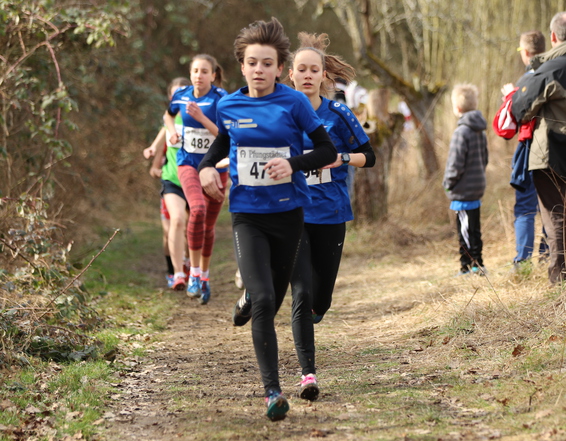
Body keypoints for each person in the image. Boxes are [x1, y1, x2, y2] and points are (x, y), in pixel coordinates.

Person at [198, 17, 336, 421]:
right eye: (252, 62)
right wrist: (206, 168)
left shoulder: (294, 103)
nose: (259, 69)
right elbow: (221, 144)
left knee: (272, 299)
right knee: (263, 300)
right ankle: (272, 392)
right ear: (242, 66)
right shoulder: (228, 105)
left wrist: (292, 164)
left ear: (279, 69)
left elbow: (326, 151)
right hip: (248, 216)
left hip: (289, 215)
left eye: (267, 63)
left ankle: (248, 300)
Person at [507, 12, 566, 284]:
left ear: (553, 37)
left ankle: (560, 279)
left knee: (556, 216)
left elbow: (520, 109)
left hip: (553, 152)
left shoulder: (550, 70)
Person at [164, 54, 228, 304]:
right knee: (197, 209)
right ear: (190, 74)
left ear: (213, 75)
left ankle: (204, 275)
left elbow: (225, 135)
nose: (199, 75)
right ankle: (193, 274)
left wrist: (201, 118)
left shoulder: (221, 99)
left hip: (216, 167)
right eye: (195, 71)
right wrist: (172, 132)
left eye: (204, 71)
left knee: (209, 226)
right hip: (188, 164)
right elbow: (168, 115)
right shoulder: (181, 95)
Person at [493, 31, 549, 269]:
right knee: (552, 205)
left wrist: (510, 96)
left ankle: (523, 262)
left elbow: (508, 126)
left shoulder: (526, 81)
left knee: (526, 207)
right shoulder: (556, 72)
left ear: (525, 52)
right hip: (556, 148)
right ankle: (548, 257)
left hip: (529, 150)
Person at [146, 77, 191, 289]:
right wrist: (155, 160)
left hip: (194, 182)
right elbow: (155, 162)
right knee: (175, 224)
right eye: (175, 94)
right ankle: (175, 271)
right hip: (172, 182)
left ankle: (190, 266)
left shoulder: (199, 119)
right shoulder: (168, 123)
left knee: (190, 229)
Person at [443, 84, 488, 276]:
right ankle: (477, 264)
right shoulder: (480, 130)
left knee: (465, 231)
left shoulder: (461, 132)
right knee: (474, 229)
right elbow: (485, 158)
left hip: (463, 191)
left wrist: (448, 184)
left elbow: (455, 164)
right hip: (477, 187)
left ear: (457, 108)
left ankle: (469, 266)